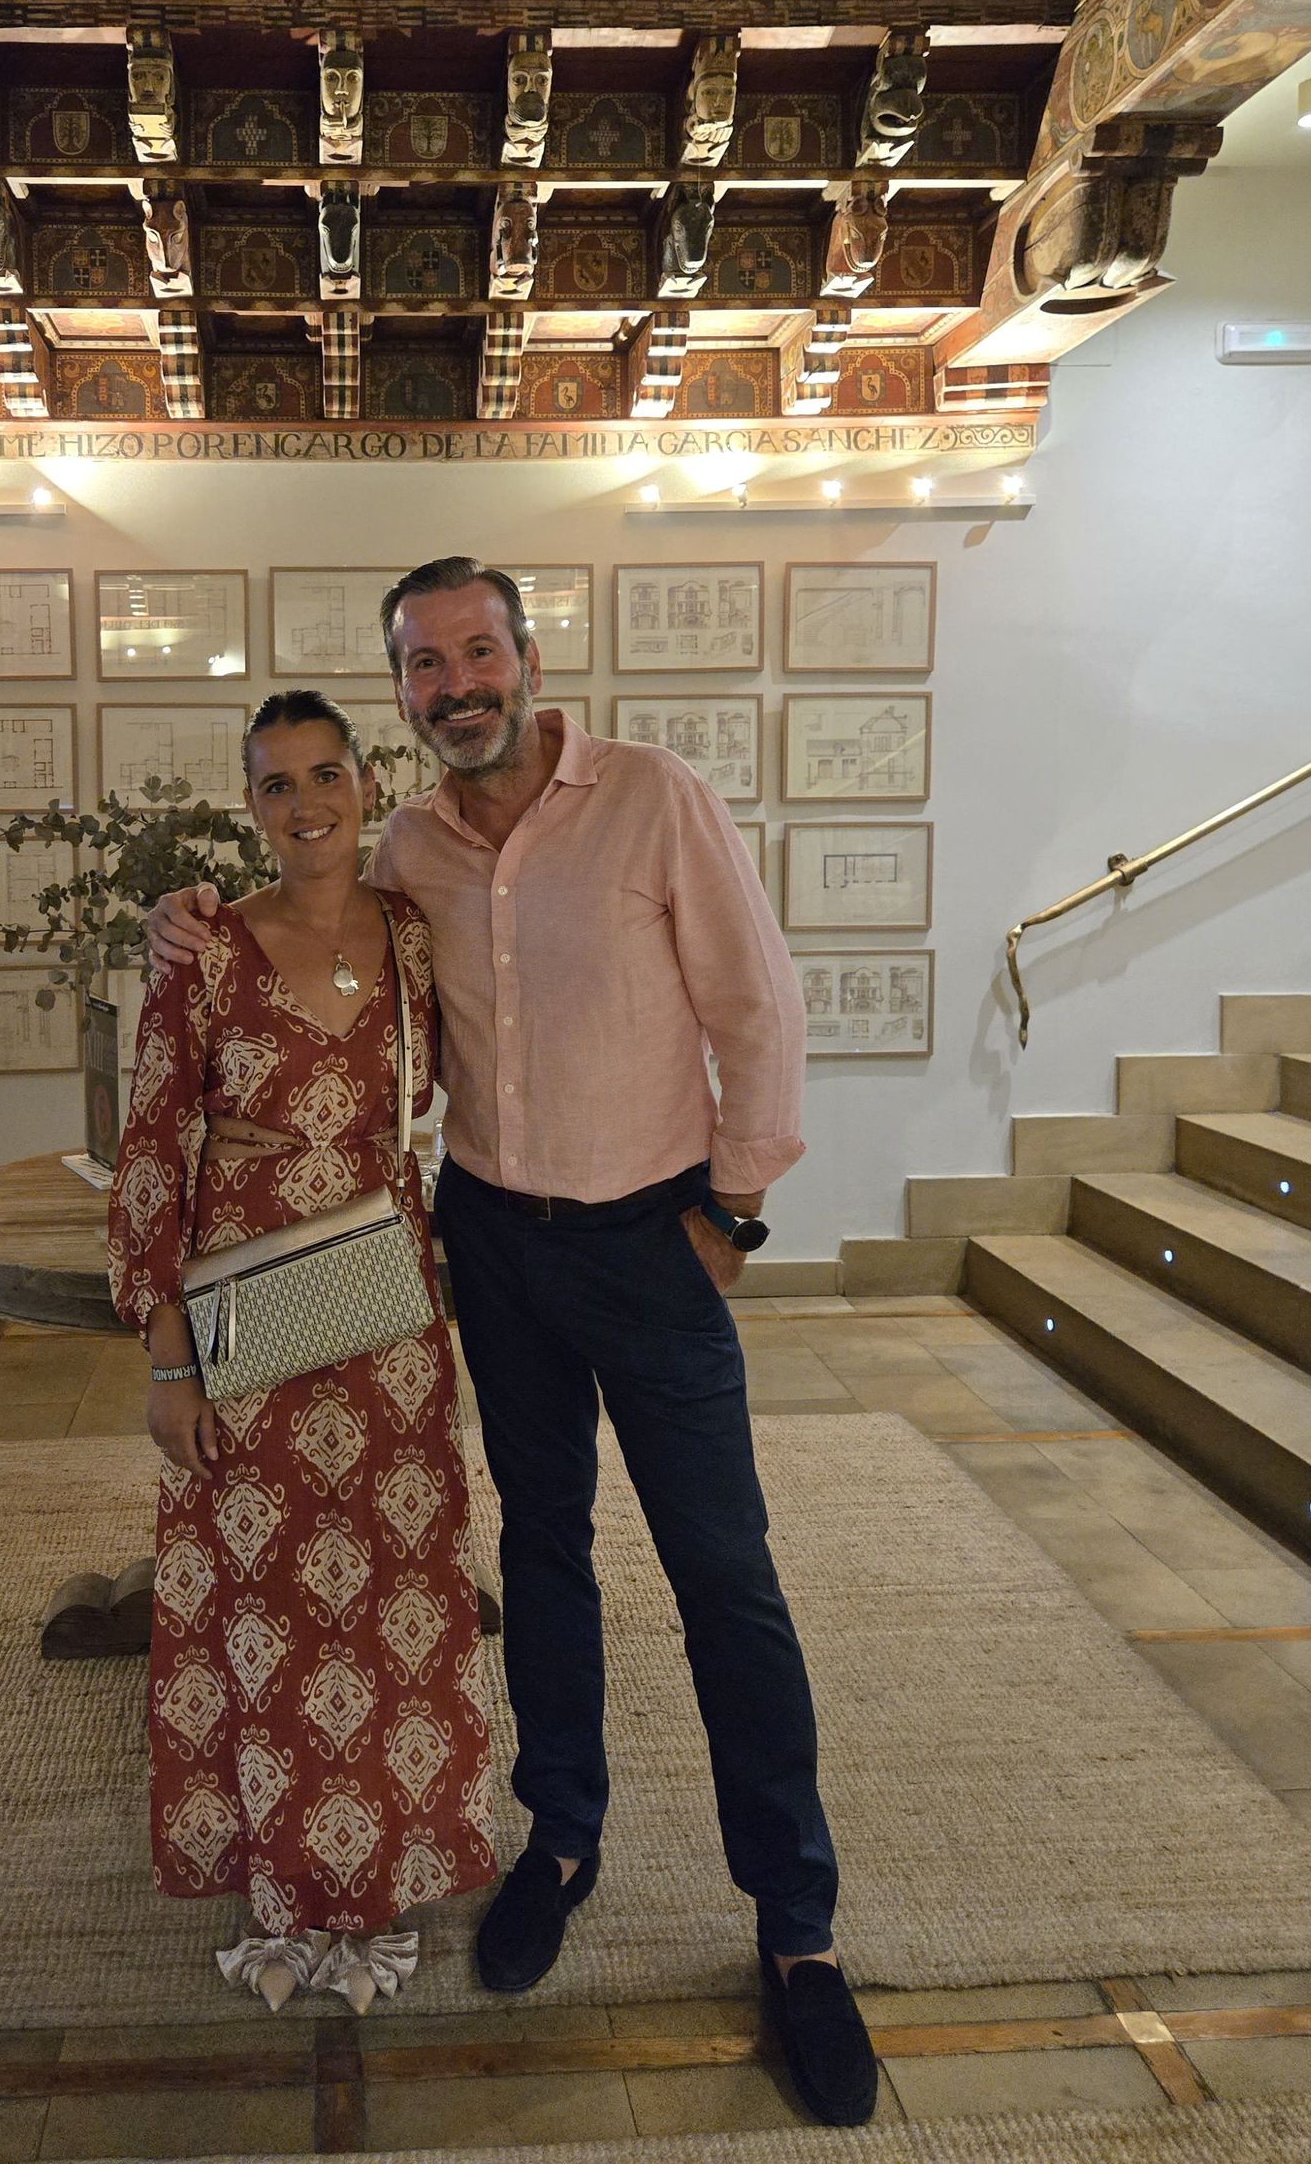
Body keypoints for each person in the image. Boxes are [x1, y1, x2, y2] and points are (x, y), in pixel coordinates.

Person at [147, 559, 878, 2127]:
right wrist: (182, 916)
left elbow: (760, 1007)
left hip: (653, 1241)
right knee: (540, 1553)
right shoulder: (403, 846)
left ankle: (799, 1934)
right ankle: (558, 1842)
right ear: (402, 694)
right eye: (425, 666)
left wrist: (733, 1212)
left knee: (723, 1577)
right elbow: (304, 927)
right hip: (491, 1242)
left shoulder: (653, 797)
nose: (457, 684)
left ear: (530, 658)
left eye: (480, 651)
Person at [107, 687, 498, 2018]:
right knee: (265, 1598)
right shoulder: (207, 950)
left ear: (366, 779)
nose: (305, 803)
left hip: (388, 1300)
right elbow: (155, 1145)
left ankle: (377, 1869)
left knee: (386, 1591)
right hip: (249, 1303)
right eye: (275, 785)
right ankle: (284, 1880)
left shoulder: (413, 936)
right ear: (251, 806)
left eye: (324, 773)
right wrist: (167, 1359)